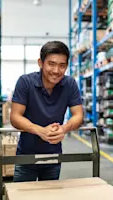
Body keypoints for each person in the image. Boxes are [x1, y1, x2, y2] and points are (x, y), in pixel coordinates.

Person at [10, 41, 84, 182]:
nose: (56, 71)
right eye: (51, 64)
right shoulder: (25, 82)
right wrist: (39, 130)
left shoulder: (70, 84)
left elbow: (78, 115)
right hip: (26, 156)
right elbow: (15, 117)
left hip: (53, 156)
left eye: (62, 66)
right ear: (40, 63)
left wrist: (64, 128)